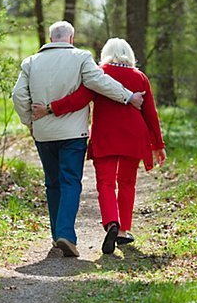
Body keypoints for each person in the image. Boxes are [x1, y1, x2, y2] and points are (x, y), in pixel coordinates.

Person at [12, 22, 145, 258]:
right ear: (71, 38)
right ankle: (65, 234)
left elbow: (18, 95)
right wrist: (128, 97)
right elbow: (100, 82)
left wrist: (29, 121)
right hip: (73, 134)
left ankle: (57, 236)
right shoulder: (81, 57)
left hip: (43, 133)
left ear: (51, 38)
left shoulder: (30, 62)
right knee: (70, 181)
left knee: (52, 182)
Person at [32, 37, 166, 255]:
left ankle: (111, 222)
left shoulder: (99, 74)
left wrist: (50, 108)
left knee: (105, 183)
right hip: (134, 136)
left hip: (106, 136)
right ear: (129, 55)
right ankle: (123, 231)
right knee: (127, 183)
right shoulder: (140, 77)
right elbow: (151, 114)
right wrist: (158, 144)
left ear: (105, 53)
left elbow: (78, 99)